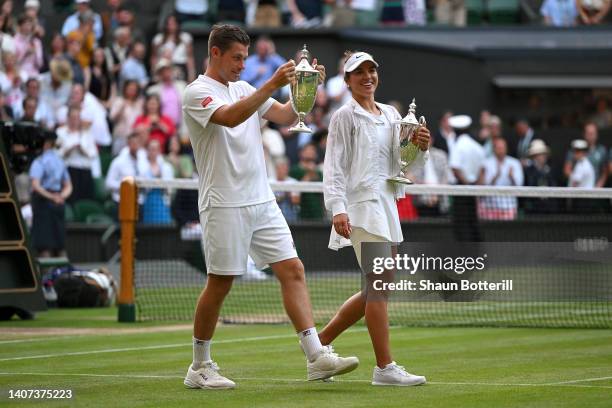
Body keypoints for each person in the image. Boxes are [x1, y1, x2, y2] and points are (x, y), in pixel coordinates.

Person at [181, 24, 358, 389]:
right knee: (220, 283)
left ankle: (316, 357)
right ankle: (199, 366)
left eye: (245, 59)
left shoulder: (246, 88)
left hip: (261, 200)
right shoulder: (196, 92)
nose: (242, 66)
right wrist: (272, 84)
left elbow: (288, 116)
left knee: (293, 268)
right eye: (236, 58)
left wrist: (307, 88)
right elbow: (230, 118)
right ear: (215, 53)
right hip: (224, 203)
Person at [321, 50, 429, 386]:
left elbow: (402, 166)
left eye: (372, 71)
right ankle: (384, 368)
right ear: (348, 80)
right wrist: (337, 208)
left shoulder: (393, 115)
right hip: (360, 208)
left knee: (375, 289)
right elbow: (334, 166)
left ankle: (318, 343)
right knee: (379, 288)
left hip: (385, 207)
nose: (367, 77)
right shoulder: (344, 116)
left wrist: (420, 147)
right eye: (359, 72)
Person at [29, 131, 72, 257]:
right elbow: (69, 186)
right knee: (60, 245)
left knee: (44, 246)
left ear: (46, 144)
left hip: (43, 204)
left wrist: (52, 197)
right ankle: (64, 276)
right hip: (58, 202)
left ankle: (47, 276)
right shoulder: (60, 161)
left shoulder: (39, 161)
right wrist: (60, 196)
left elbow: (35, 185)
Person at [448, 114, 485, 241]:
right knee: (473, 222)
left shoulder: (458, 146)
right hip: (473, 190)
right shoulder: (478, 146)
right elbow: (482, 169)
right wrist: (476, 187)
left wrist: (466, 185)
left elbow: (455, 168)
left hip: (462, 190)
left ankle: (465, 254)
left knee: (461, 224)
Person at [56, 105, 99, 203]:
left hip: (85, 171)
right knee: (71, 200)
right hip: (69, 171)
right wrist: (68, 150)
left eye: (77, 117)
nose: (75, 120)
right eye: (72, 117)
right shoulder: (60, 132)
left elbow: (93, 154)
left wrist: (83, 151)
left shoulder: (87, 133)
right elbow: (56, 153)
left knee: (86, 201)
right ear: (68, 118)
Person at [478, 138, 524, 220]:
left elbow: (519, 186)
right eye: (498, 148)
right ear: (494, 149)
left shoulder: (515, 163)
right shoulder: (485, 163)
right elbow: (481, 187)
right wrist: (495, 177)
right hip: (489, 206)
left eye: (502, 148)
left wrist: (511, 177)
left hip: (508, 206)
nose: (501, 150)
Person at [150, 14, 196, 82]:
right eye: (169, 24)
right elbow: (154, 57)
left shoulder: (186, 38)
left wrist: (191, 74)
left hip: (180, 68)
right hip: (163, 68)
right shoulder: (158, 39)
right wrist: (154, 73)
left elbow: (190, 57)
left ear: (178, 25)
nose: (171, 26)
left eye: (173, 23)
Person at [289, 143, 324, 220]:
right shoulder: (295, 170)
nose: (311, 152)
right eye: (308, 150)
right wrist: (308, 175)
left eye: (313, 150)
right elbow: (292, 191)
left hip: (318, 212)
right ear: (301, 153)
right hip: (301, 213)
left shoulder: (318, 171)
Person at [109, 79, 143, 155]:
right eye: (130, 89)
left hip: (135, 138)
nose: (132, 91)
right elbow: (112, 118)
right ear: (125, 89)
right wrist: (122, 108)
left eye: (134, 89)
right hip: (121, 136)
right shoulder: (119, 101)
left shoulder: (139, 103)